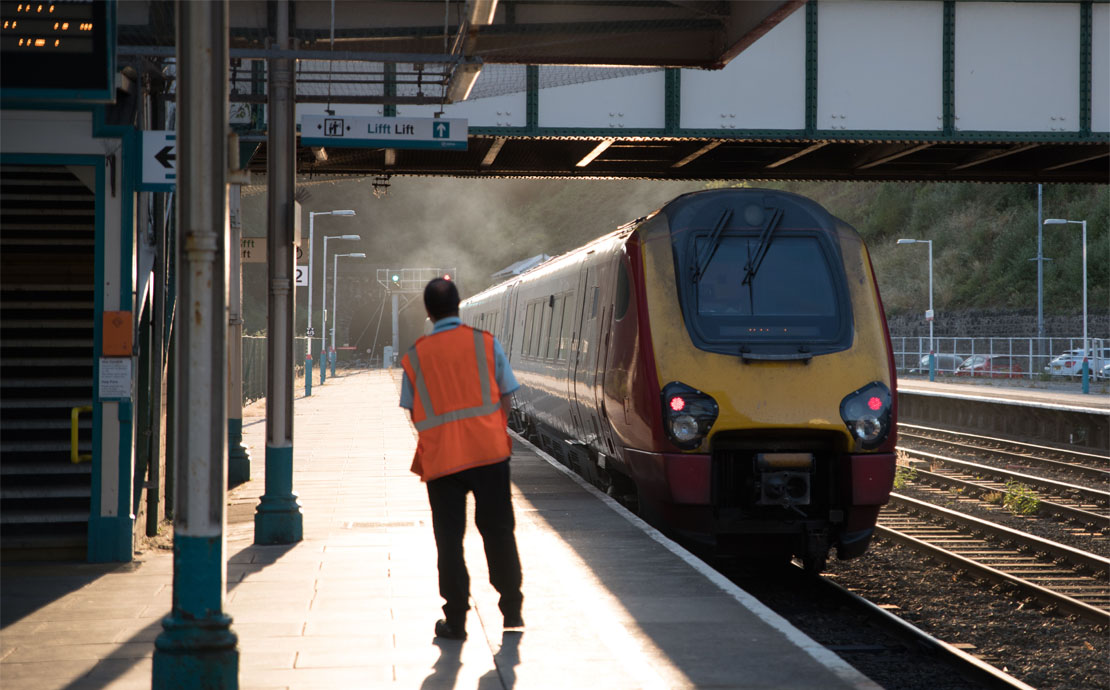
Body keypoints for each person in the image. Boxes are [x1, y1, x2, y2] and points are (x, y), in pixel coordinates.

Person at [399, 277, 524, 641]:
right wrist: (493, 431)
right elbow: (506, 395)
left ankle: (455, 619)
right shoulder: (485, 343)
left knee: (449, 539)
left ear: (428, 311)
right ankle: (512, 610)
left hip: (442, 461)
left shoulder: (416, 355)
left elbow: (412, 410)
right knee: (499, 531)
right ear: (459, 306)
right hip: (489, 454)